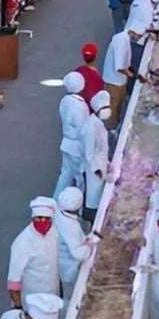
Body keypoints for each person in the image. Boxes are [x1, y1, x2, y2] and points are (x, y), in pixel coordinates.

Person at [6, 197, 61, 310]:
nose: (42, 222)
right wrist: (18, 308)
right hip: (32, 302)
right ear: (33, 218)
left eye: (47, 218)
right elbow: (13, 281)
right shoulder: (22, 243)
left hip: (53, 295)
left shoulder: (54, 233)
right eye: (39, 218)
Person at [53, 187, 97, 314]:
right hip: (68, 269)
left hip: (59, 263)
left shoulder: (59, 214)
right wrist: (90, 246)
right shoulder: (69, 225)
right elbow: (78, 253)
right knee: (69, 298)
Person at [102, 22, 147, 129]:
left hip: (120, 79)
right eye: (138, 36)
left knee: (121, 102)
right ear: (133, 33)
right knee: (114, 105)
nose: (138, 38)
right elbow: (120, 67)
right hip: (113, 80)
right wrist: (132, 75)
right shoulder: (121, 42)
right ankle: (111, 127)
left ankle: (118, 123)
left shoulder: (125, 39)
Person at [54, 72, 89, 199]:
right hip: (76, 146)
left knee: (65, 175)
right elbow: (82, 129)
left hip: (66, 143)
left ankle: (55, 200)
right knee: (80, 178)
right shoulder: (80, 106)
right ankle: (79, 205)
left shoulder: (65, 101)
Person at [81, 91, 111, 220]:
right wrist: (97, 170)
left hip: (100, 163)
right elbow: (88, 153)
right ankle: (89, 219)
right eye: (104, 108)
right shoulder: (90, 127)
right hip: (93, 168)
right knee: (92, 197)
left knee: (96, 195)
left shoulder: (97, 123)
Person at [74, 43, 105, 110]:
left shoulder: (78, 70)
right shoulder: (98, 78)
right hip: (91, 109)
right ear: (95, 56)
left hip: (78, 106)